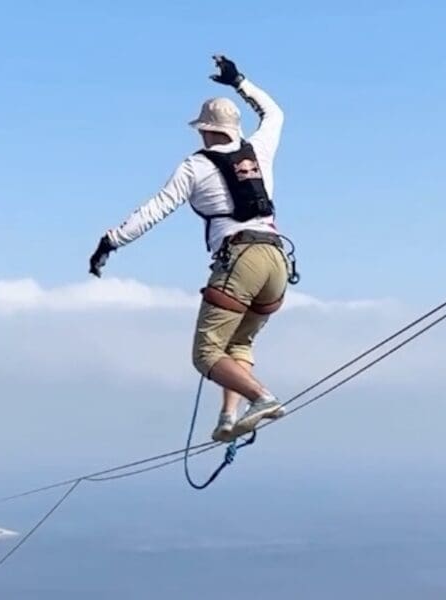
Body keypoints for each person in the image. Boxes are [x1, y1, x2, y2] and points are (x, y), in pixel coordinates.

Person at [88, 55, 298, 442]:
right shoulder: (259, 149)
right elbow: (275, 114)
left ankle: (262, 398)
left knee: (205, 354)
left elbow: (155, 209)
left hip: (241, 260)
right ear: (233, 129)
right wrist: (240, 82)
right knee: (237, 343)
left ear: (204, 131)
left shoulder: (195, 167)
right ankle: (228, 418)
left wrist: (110, 241)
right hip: (277, 261)